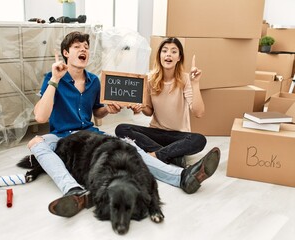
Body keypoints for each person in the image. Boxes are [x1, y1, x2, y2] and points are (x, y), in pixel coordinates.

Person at [27, 33, 220, 219]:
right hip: (62, 137)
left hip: (89, 136)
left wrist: (108, 110)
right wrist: (54, 80)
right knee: (36, 143)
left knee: (128, 145)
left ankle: (181, 176)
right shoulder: (52, 79)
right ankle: (73, 190)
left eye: (86, 47)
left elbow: (97, 112)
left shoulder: (94, 81)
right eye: (77, 47)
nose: (83, 49)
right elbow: (41, 117)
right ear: (66, 53)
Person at [115, 37, 220, 191]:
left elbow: (199, 112)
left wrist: (196, 83)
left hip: (179, 135)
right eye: (164, 51)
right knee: (121, 128)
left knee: (199, 139)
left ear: (179, 57)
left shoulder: (185, 79)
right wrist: (141, 106)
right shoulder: (150, 78)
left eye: (173, 51)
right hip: (156, 132)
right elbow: (149, 111)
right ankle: (174, 156)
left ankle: (157, 156)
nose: (168, 54)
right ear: (159, 56)